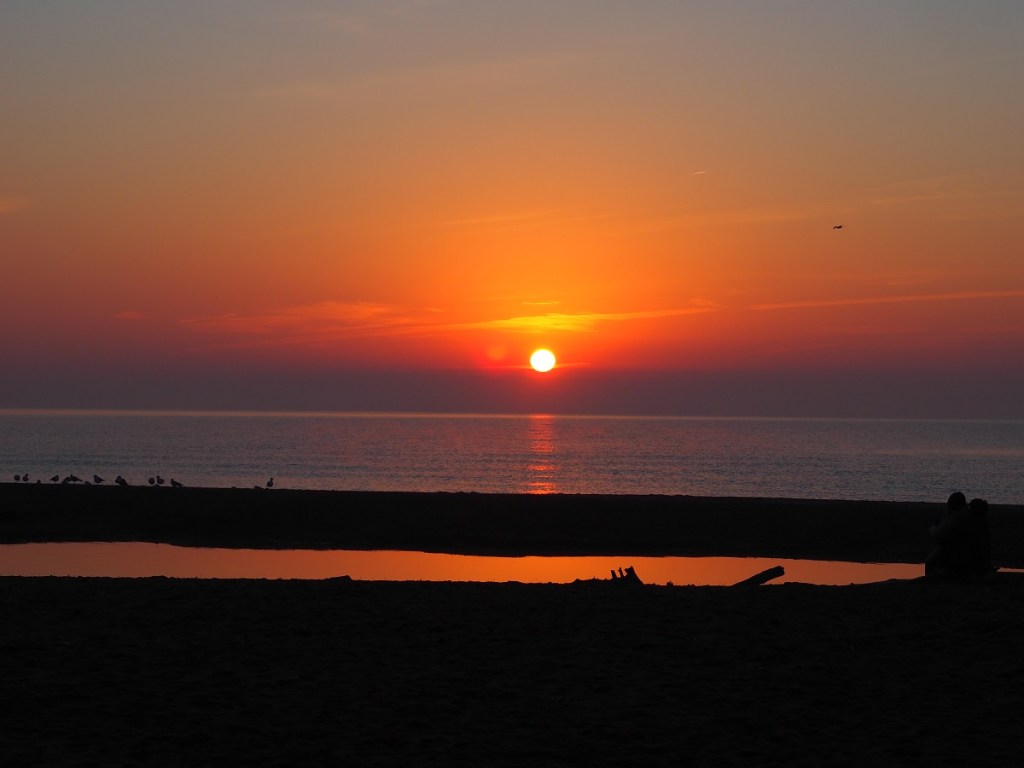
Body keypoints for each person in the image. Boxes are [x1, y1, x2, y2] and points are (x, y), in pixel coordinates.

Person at [925, 492, 993, 580]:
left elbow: (945, 541)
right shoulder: (980, 522)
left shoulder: (964, 523)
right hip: (977, 564)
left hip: (965, 566)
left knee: (932, 562)